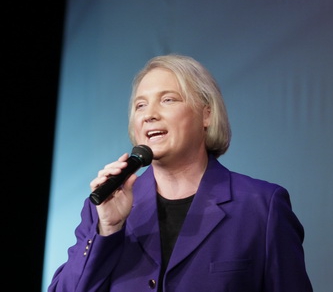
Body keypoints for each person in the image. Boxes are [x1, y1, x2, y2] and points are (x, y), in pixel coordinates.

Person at [48, 54, 313, 292]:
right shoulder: (103, 207)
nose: (149, 115)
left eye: (168, 100)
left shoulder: (261, 206)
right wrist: (108, 229)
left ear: (206, 114)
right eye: (140, 105)